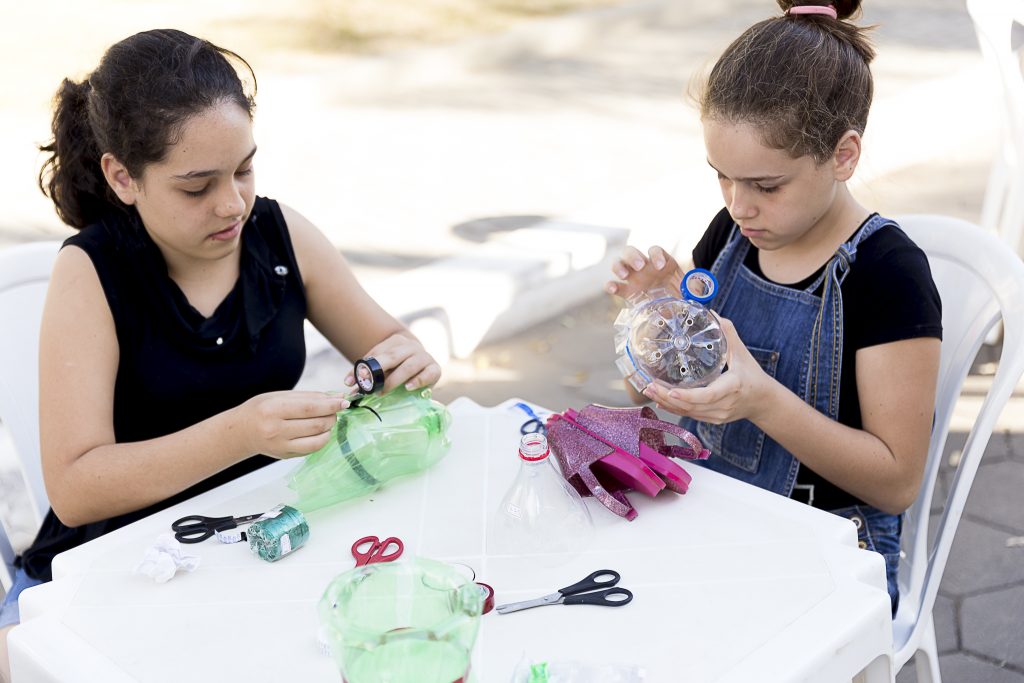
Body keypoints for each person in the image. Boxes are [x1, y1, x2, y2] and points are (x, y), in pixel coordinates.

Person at [0, 29, 440, 680]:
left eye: (244, 168)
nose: (233, 203)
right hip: (115, 564)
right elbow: (75, 487)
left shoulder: (279, 233)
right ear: (123, 176)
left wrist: (408, 362)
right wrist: (241, 432)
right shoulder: (92, 272)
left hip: (249, 542)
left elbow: (391, 346)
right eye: (197, 186)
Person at [606, 0, 941, 616]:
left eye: (765, 186)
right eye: (722, 177)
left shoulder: (887, 274)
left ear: (843, 155)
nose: (739, 205)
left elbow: (896, 483)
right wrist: (651, 323)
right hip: (713, 507)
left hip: (830, 547)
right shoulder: (731, 236)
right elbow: (652, 394)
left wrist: (761, 400)